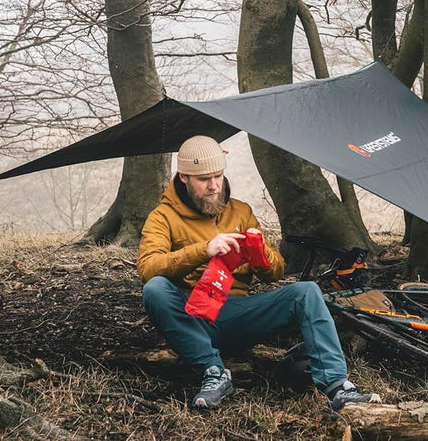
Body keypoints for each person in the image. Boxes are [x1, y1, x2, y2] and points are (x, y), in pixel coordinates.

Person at [137, 135, 380, 411]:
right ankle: (214, 373)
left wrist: (260, 255)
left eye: (218, 176)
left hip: (237, 314)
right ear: (183, 177)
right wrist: (204, 250)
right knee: (155, 289)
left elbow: (274, 273)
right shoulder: (163, 216)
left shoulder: (240, 212)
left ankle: (337, 386)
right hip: (192, 315)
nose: (214, 186)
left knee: (306, 292)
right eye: (204, 179)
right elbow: (148, 267)